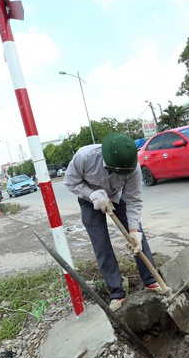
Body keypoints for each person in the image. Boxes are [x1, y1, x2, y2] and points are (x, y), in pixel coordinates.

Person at [63, 133, 164, 312]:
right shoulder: (84, 157)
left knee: (137, 239)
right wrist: (92, 194)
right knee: (101, 243)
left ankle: (150, 280)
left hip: (118, 197)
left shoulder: (134, 169)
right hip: (89, 198)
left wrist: (133, 231)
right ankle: (116, 292)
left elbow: (133, 200)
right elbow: (70, 182)